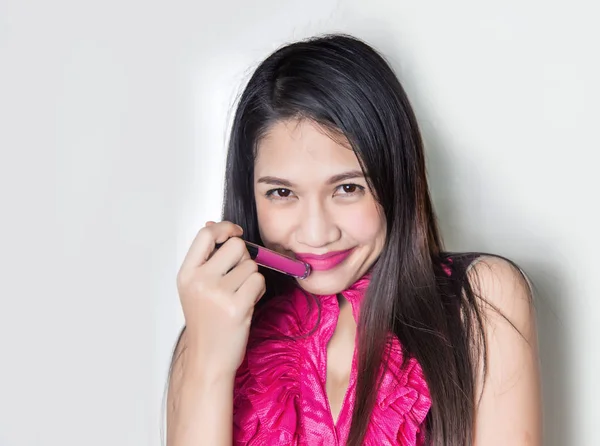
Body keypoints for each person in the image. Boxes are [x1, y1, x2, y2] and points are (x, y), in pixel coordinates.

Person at [166, 34, 542, 446]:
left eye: (347, 189)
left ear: (396, 178)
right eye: (282, 193)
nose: (316, 233)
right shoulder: (206, 333)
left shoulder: (483, 298)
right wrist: (207, 363)